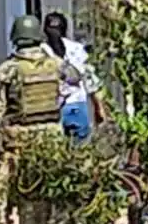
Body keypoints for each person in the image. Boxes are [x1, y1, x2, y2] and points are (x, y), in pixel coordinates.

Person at [0, 16, 93, 224]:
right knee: (53, 201)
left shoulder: (7, 70)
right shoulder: (55, 64)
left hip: (21, 143)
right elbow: (77, 77)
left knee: (25, 201)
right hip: (52, 139)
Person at [42, 12, 103, 141]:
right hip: (77, 106)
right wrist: (99, 107)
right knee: (80, 154)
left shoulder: (41, 51)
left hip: (52, 109)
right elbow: (90, 80)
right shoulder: (77, 49)